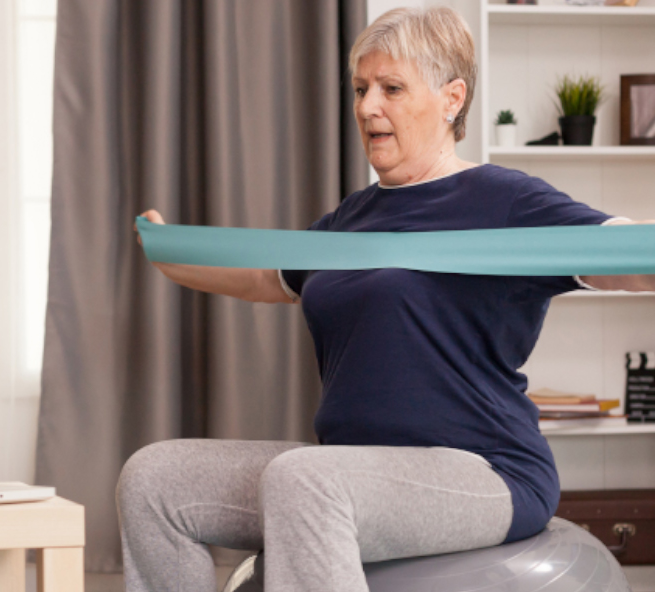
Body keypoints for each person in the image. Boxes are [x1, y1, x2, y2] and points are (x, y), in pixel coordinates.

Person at [118, 7, 655, 592]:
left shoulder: (502, 200)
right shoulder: (353, 219)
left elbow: (621, 259)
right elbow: (268, 279)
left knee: (306, 479)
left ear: (452, 98)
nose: (367, 106)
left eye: (391, 88)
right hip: (351, 469)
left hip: (484, 469)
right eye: (361, 88)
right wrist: (172, 256)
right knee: (154, 479)